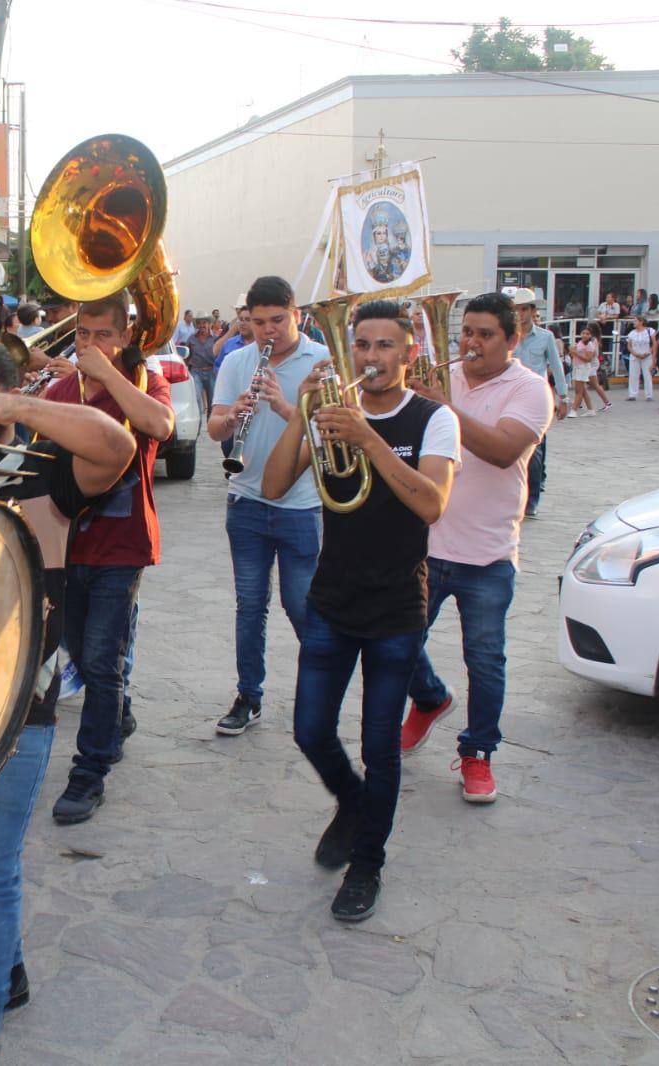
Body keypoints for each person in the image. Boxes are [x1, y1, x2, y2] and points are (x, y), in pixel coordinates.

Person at [0, 335, 135, 1066]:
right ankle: (4, 968)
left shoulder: (48, 468)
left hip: (18, 705)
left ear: (8, 393)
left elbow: (116, 447)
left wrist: (12, 405)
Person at [261, 298, 458, 921]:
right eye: (362, 346)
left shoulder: (434, 419)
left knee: (380, 745)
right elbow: (271, 487)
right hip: (331, 597)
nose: (370, 359)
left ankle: (368, 863)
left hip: (397, 602)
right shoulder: (331, 414)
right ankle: (352, 802)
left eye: (383, 347)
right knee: (310, 729)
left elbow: (431, 505)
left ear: (408, 352)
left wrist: (368, 438)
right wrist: (307, 414)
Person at [401, 292, 553, 804]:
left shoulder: (530, 390)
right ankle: (429, 699)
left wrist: (442, 407)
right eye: (466, 332)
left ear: (513, 340)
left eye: (485, 334)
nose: (471, 343)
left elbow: (502, 449)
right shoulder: (442, 379)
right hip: (426, 545)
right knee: (396, 642)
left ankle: (477, 753)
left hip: (488, 553)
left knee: (485, 660)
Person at [43, 290, 173, 824]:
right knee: (84, 652)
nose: (89, 345)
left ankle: (89, 773)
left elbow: (161, 426)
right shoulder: (59, 388)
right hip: (66, 542)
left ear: (122, 338)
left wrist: (110, 375)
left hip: (122, 545)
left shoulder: (145, 381)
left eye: (102, 335)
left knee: (100, 661)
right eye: (82, 335)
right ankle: (116, 713)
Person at [207, 276, 329, 736]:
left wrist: (284, 407)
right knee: (249, 605)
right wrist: (232, 415)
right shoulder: (237, 360)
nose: (267, 331)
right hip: (247, 500)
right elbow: (215, 429)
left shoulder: (321, 361)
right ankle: (248, 696)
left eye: (277, 320)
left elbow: (333, 436)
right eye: (257, 322)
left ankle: (318, 693)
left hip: (302, 505)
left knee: (301, 606)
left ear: (295, 314)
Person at [505, 290, 567, 519]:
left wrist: (564, 396)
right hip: (510, 395)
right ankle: (517, 494)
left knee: (535, 451)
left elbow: (556, 366)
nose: (520, 314)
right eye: (516, 309)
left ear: (532, 311)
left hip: (536, 398)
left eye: (524, 309)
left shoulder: (545, 337)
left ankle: (531, 501)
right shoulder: (508, 336)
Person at [569, 323, 607, 416]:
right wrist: (572, 352)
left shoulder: (590, 344)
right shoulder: (579, 343)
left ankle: (574, 410)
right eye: (583, 333)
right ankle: (590, 409)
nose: (585, 335)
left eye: (587, 334)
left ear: (590, 335)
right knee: (583, 390)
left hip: (583, 368)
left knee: (579, 390)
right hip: (577, 367)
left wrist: (576, 353)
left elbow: (588, 359)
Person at [184, 317, 218, 415]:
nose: (202, 325)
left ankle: (211, 426)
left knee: (213, 401)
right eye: (199, 323)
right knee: (196, 397)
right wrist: (186, 368)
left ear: (209, 324)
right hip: (196, 372)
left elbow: (220, 356)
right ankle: (197, 427)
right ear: (197, 325)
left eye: (204, 323)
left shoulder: (215, 339)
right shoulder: (191, 338)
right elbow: (186, 354)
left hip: (211, 372)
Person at [624, 315, 656, 401]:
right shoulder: (632, 333)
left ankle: (649, 395)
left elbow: (654, 343)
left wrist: (649, 353)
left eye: (636, 321)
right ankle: (632, 394)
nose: (634, 323)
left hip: (647, 355)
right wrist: (635, 353)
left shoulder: (650, 331)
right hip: (635, 356)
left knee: (647, 375)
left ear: (641, 322)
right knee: (633, 375)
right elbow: (629, 346)